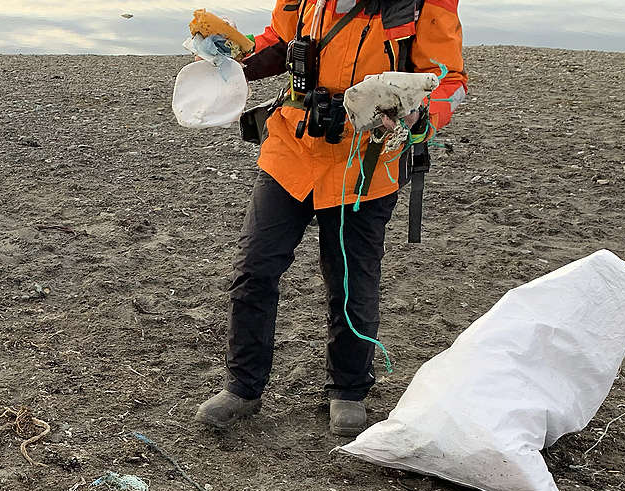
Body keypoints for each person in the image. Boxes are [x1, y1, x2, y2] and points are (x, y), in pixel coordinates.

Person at [195, 0, 467, 437]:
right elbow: (281, 42)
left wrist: (421, 113)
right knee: (254, 269)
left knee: (351, 281)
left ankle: (348, 390)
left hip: (367, 165)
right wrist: (229, 58)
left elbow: (450, 81)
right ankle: (242, 388)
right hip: (290, 152)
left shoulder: (419, 7)